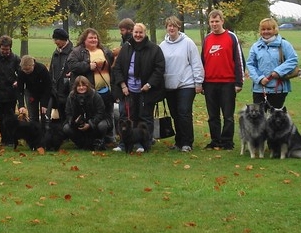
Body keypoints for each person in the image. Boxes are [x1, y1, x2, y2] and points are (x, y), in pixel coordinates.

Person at [112, 23, 166, 152]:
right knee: (126, 117)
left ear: (145, 33)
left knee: (145, 117)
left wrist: (149, 84)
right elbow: (117, 67)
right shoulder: (126, 47)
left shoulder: (154, 49)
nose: (138, 35)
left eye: (140, 32)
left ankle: (144, 143)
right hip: (128, 90)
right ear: (133, 33)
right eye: (136, 32)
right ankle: (124, 143)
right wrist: (122, 85)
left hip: (146, 90)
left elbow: (159, 69)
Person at [159, 16, 204, 153]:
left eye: (174, 26)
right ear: (166, 28)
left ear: (179, 27)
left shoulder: (188, 43)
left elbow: (196, 63)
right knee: (175, 114)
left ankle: (187, 142)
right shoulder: (162, 45)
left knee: (184, 112)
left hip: (186, 84)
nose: (171, 28)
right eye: (169, 26)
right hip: (170, 85)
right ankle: (178, 141)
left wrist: (199, 82)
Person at [201, 10, 244, 150]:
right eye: (212, 22)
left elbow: (239, 61)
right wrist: (201, 83)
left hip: (228, 83)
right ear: (209, 23)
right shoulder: (207, 39)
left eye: (217, 21)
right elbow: (202, 62)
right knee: (213, 115)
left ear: (222, 21)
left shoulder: (231, 37)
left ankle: (227, 142)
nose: (214, 24)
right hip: (210, 83)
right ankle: (215, 140)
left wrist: (239, 82)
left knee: (228, 115)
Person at [66, 28, 115, 143]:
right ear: (84, 39)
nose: (93, 40)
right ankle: (85, 139)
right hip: (87, 92)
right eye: (90, 38)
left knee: (108, 114)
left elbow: (112, 65)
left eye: (95, 37)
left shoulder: (105, 51)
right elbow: (72, 65)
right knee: (91, 116)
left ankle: (109, 138)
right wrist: (87, 66)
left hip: (105, 90)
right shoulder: (77, 51)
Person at [246, 18, 299, 109]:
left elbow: (293, 60)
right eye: (263, 29)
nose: (266, 32)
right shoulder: (255, 47)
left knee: (275, 120)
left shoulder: (284, 44)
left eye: (269, 29)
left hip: (278, 89)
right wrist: (259, 79)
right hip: (259, 89)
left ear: (274, 30)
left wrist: (278, 72)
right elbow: (250, 64)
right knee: (258, 119)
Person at [63, 76, 110, 150]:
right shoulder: (71, 96)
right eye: (79, 86)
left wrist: (90, 124)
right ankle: (80, 144)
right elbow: (68, 112)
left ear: (87, 85)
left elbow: (100, 112)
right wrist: (74, 122)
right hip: (78, 124)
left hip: (94, 122)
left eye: (83, 85)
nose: (81, 88)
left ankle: (99, 142)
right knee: (66, 128)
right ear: (75, 87)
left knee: (102, 125)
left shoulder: (95, 95)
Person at [17, 55, 52, 124]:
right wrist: (21, 105)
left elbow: (48, 86)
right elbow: (20, 89)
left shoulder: (42, 69)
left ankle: (45, 132)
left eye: (28, 69)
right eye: (24, 70)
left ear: (33, 65)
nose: (26, 72)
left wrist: (44, 104)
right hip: (31, 92)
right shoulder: (21, 72)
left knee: (44, 116)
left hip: (44, 92)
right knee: (32, 116)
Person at [49, 28, 73, 119]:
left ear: (63, 39)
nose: (55, 42)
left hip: (67, 93)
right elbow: (51, 71)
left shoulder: (73, 53)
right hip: (56, 93)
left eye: (56, 39)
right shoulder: (55, 54)